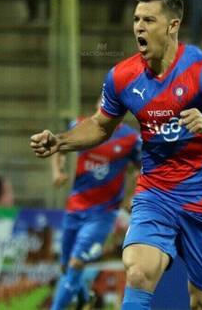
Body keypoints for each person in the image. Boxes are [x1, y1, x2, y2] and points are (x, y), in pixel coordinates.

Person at [31, 0, 202, 310]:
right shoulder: (122, 77)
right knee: (138, 273)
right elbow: (100, 125)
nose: (139, 26)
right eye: (136, 19)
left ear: (172, 26)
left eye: (149, 20)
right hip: (157, 194)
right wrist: (61, 142)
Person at [48, 104, 142, 310]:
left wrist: (136, 195)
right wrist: (58, 171)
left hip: (103, 213)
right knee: (65, 266)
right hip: (75, 207)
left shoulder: (131, 139)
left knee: (76, 263)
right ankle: (84, 297)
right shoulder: (81, 125)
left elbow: (146, 168)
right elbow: (59, 144)